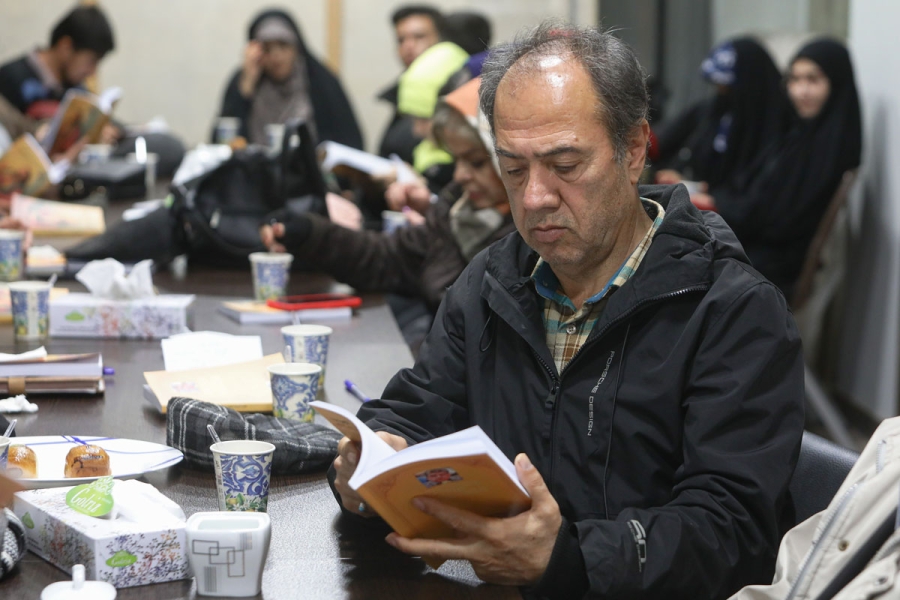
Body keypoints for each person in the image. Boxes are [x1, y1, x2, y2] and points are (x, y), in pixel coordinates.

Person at [330, 22, 804, 599]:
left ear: (634, 150)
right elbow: (417, 412)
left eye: (565, 165)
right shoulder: (493, 281)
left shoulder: (731, 310)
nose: (534, 197)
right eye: (513, 168)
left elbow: (733, 532)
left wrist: (568, 558)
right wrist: (369, 467)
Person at [260, 77, 516, 348]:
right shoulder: (457, 210)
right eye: (457, 160)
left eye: (476, 162)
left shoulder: (527, 240)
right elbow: (386, 257)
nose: (460, 175)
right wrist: (311, 233)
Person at [691, 38, 862, 297]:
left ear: (836, 84)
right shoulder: (799, 136)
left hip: (764, 270)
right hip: (751, 253)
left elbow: (775, 221)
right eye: (795, 79)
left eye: (813, 80)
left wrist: (717, 204)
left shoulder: (829, 151)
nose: (801, 91)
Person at [653, 37, 790, 193]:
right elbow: (667, 140)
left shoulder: (779, 127)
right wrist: (678, 174)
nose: (721, 91)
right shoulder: (713, 110)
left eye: (727, 86)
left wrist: (716, 199)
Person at [215, 9, 363, 150]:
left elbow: (351, 142)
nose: (276, 56)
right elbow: (220, 142)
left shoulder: (320, 81)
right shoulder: (245, 80)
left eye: (283, 45)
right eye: (267, 48)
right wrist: (245, 89)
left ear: (296, 47)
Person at [0, 5, 115, 119]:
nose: (92, 72)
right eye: (91, 61)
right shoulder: (10, 79)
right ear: (66, 47)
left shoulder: (77, 91)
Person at [376, 6, 445, 165]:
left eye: (419, 37)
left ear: (441, 39)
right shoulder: (399, 93)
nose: (408, 46)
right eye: (401, 40)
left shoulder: (455, 91)